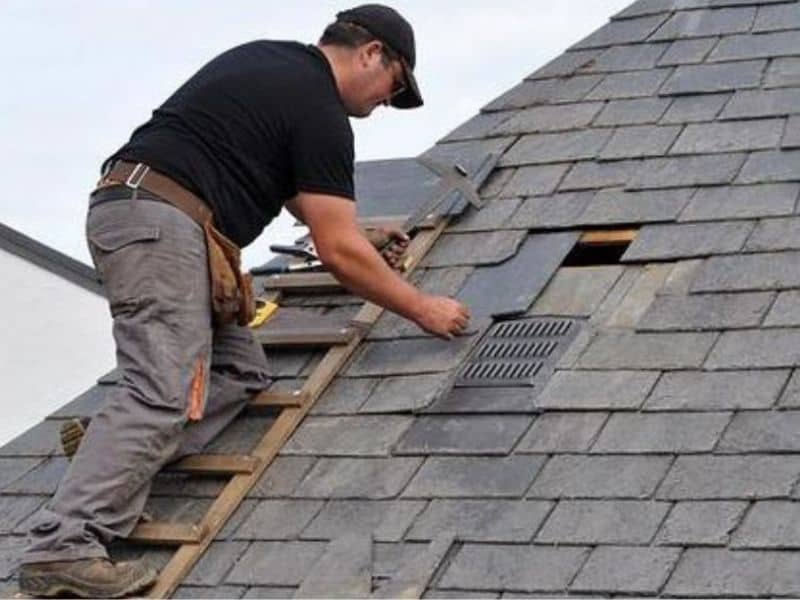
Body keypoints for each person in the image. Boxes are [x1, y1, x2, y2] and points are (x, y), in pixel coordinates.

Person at [18, 4, 470, 598]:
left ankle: (109, 447)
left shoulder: (271, 62)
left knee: (239, 370)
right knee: (164, 388)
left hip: (149, 214)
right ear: (371, 54)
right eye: (396, 84)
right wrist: (422, 307)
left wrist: (365, 233)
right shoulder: (323, 112)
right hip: (163, 224)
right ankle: (64, 545)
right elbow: (336, 249)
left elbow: (307, 204)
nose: (388, 100)